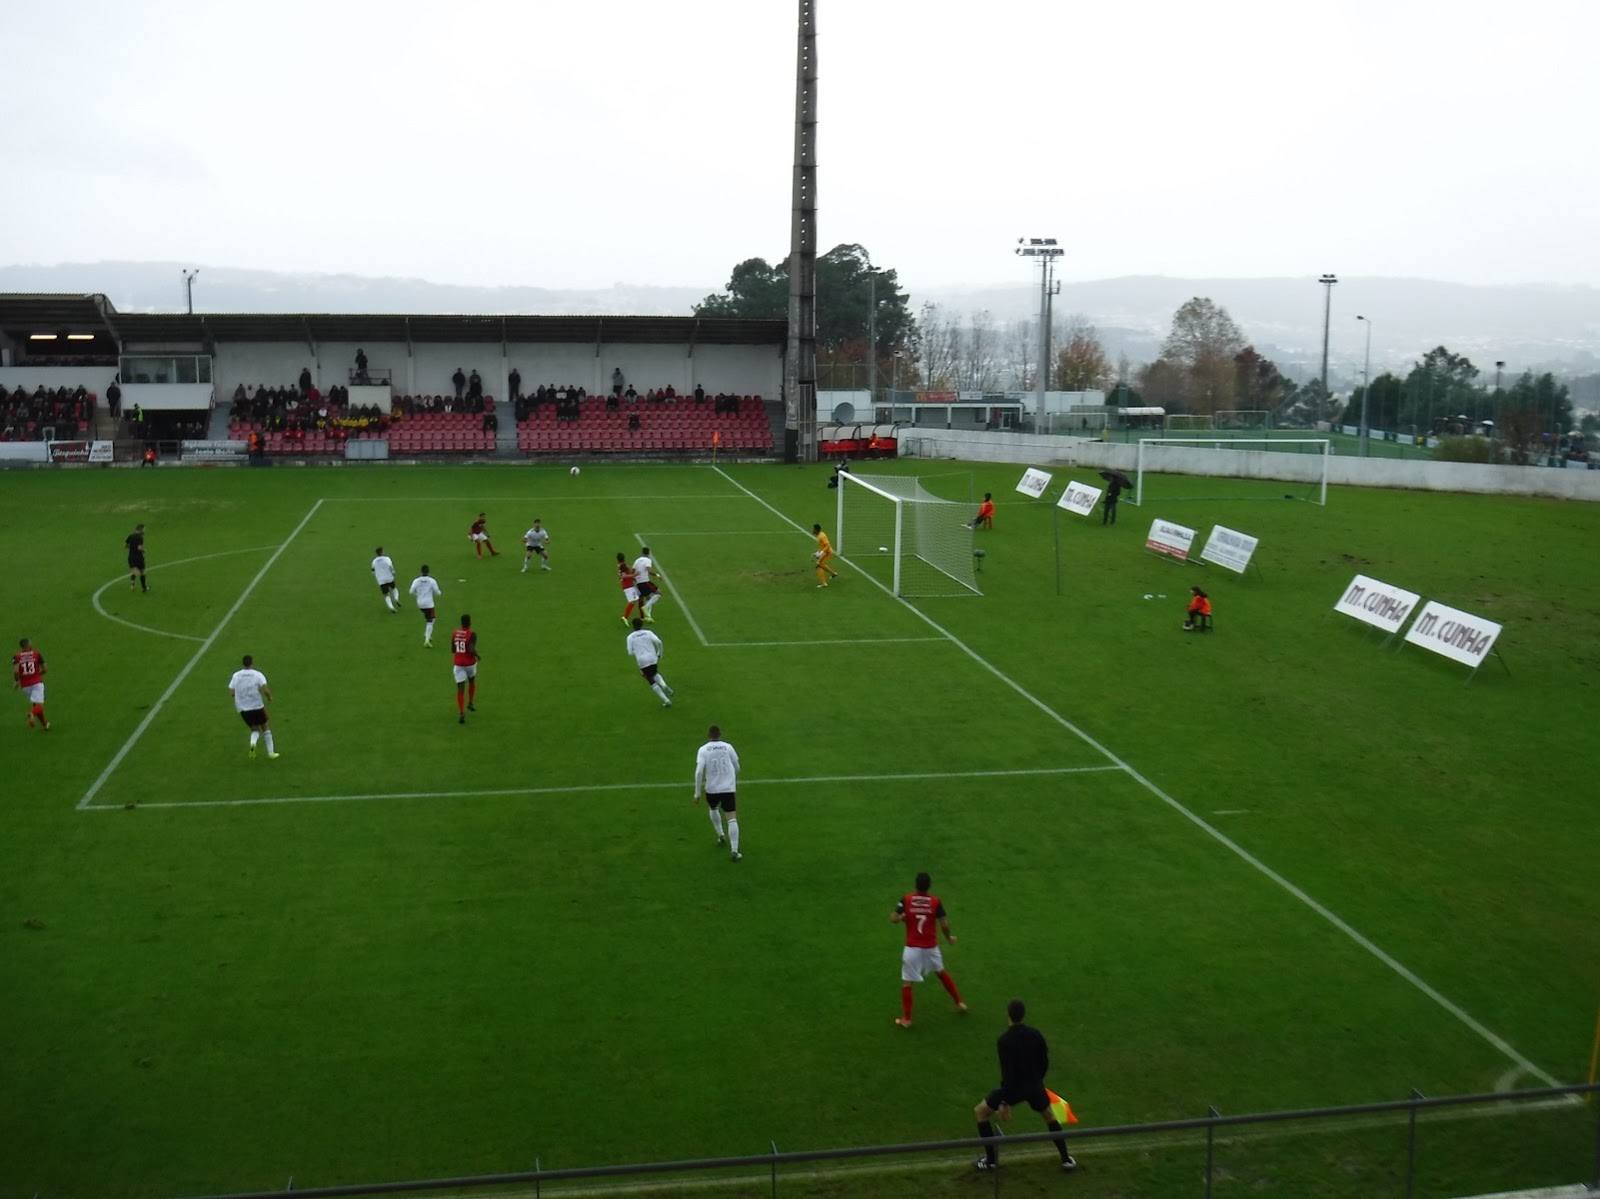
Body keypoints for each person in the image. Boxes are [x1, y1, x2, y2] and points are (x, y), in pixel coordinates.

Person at [972, 998, 1076, 1173]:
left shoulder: (1004, 1041)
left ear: (1008, 1015)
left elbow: (1008, 1074)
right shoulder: (1035, 1034)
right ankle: (1066, 1159)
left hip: (1014, 1089)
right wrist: (1038, 1080)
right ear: (1023, 1015)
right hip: (1034, 1086)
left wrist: (1004, 1102)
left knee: (981, 1112)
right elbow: (1044, 1061)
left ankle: (990, 1161)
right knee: (1049, 1116)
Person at [891, 872, 965, 1028]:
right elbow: (944, 925)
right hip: (931, 947)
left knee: (907, 982)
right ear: (929, 886)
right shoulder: (935, 902)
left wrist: (902, 917)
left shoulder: (906, 899)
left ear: (915, 885)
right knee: (941, 973)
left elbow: (893, 919)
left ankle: (907, 1019)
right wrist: (949, 938)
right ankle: (959, 1003)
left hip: (912, 947)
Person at [693, 725, 742, 861]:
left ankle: (720, 834)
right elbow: (737, 767)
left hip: (711, 788)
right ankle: (734, 850)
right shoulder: (728, 747)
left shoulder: (703, 749)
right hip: (728, 788)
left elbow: (699, 772)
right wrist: (731, 778)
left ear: (708, 735)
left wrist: (697, 793)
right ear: (720, 734)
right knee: (731, 818)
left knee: (713, 808)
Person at [228, 654, 279, 760]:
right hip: (257, 706)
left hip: (243, 708)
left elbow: (232, 692)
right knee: (265, 727)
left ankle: (253, 744)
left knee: (255, 729)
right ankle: (271, 753)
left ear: (243, 663)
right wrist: (269, 697)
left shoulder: (236, 675)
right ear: (252, 663)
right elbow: (265, 690)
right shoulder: (257, 674)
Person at [625, 617, 674, 708]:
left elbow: (630, 652)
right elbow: (658, 641)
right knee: (655, 673)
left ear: (633, 626)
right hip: (653, 657)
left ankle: (666, 700)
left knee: (651, 680)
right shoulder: (648, 632)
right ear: (642, 624)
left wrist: (636, 651)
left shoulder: (630, 637)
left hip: (642, 660)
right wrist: (660, 652)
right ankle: (664, 685)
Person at [13, 637, 49, 730]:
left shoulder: (17, 657)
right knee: (39, 706)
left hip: (25, 686)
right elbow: (45, 669)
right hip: (37, 683)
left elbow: (16, 671)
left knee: (35, 705)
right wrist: (37, 674)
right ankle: (32, 714)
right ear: (29, 645)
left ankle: (45, 725)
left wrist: (16, 681)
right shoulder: (36, 654)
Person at [451, 614, 480, 724]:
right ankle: (471, 703)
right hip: (470, 664)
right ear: (469, 622)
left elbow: (453, 649)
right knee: (471, 681)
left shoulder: (455, 633)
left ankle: (462, 712)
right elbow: (471, 649)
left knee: (460, 689)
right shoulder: (472, 634)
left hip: (458, 664)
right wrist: (478, 656)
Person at [408, 565, 443, 647]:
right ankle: (427, 640)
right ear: (428, 571)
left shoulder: (416, 580)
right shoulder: (431, 581)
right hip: (429, 604)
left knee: (432, 618)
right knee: (430, 621)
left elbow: (411, 592)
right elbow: (437, 592)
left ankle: (427, 633)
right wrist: (439, 592)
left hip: (420, 603)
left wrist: (418, 595)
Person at [632, 546, 663, 622]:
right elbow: (649, 570)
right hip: (645, 581)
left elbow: (632, 572)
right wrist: (657, 575)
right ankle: (646, 607)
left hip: (638, 583)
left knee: (646, 598)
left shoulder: (637, 560)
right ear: (649, 553)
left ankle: (646, 617)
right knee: (659, 593)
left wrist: (636, 580)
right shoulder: (648, 560)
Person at [370, 546, 401, 613]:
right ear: (382, 552)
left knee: (386, 594)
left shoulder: (374, 561)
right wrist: (393, 572)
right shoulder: (387, 559)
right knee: (394, 588)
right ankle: (396, 598)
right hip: (389, 577)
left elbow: (372, 571)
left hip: (381, 580)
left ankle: (391, 607)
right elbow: (390, 566)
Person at [812, 523, 839, 588]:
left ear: (816, 530)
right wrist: (817, 553)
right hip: (825, 552)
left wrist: (821, 552)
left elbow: (828, 545)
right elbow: (822, 546)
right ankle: (833, 574)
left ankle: (824, 583)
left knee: (819, 565)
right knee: (821, 565)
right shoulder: (819, 536)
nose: (812, 530)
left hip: (827, 552)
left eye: (813, 529)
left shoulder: (822, 536)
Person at [616, 552, 641, 624]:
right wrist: (634, 575)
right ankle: (625, 617)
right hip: (628, 586)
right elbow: (624, 576)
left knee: (637, 598)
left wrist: (633, 578)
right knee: (632, 602)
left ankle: (643, 615)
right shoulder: (623, 565)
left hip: (628, 585)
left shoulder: (620, 565)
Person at [125, 523, 148, 592]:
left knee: (134, 573)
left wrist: (132, 547)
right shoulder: (140, 538)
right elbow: (139, 548)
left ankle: (132, 583)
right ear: (140, 529)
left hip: (131, 557)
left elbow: (125, 545)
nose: (144, 531)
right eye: (144, 529)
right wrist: (144, 550)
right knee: (142, 572)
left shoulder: (130, 536)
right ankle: (144, 588)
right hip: (138, 557)